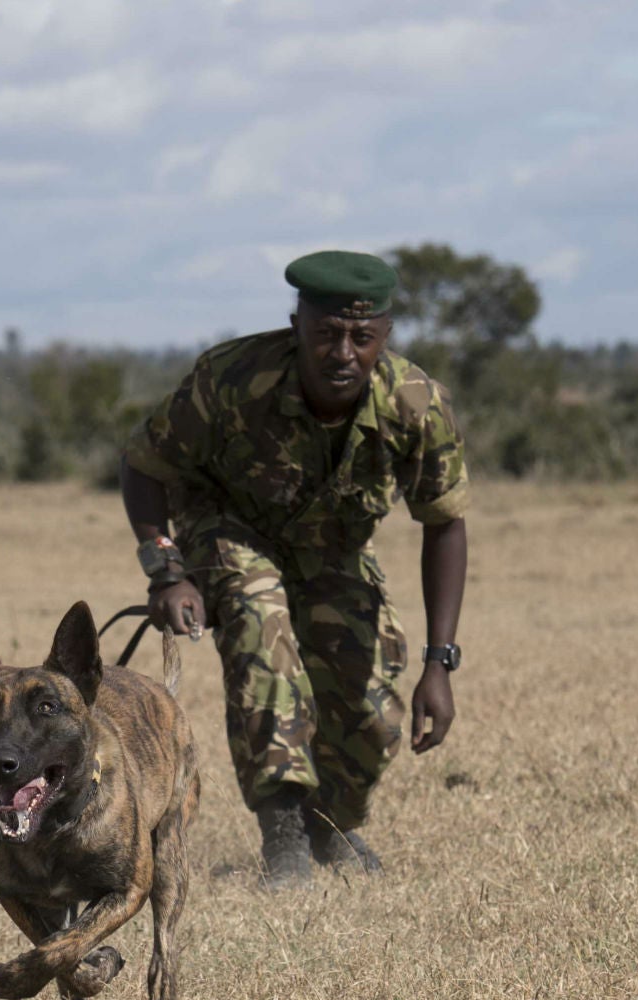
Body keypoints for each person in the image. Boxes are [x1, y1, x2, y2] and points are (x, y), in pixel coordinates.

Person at [117, 251, 469, 888]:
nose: (342, 353)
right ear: (296, 325)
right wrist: (167, 571)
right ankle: (283, 834)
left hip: (333, 550)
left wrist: (438, 663)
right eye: (326, 333)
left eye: (362, 338)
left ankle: (327, 824)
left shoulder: (414, 404)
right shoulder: (231, 378)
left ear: (384, 338)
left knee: (370, 710)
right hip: (230, 532)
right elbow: (144, 464)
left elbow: (444, 522)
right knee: (261, 627)